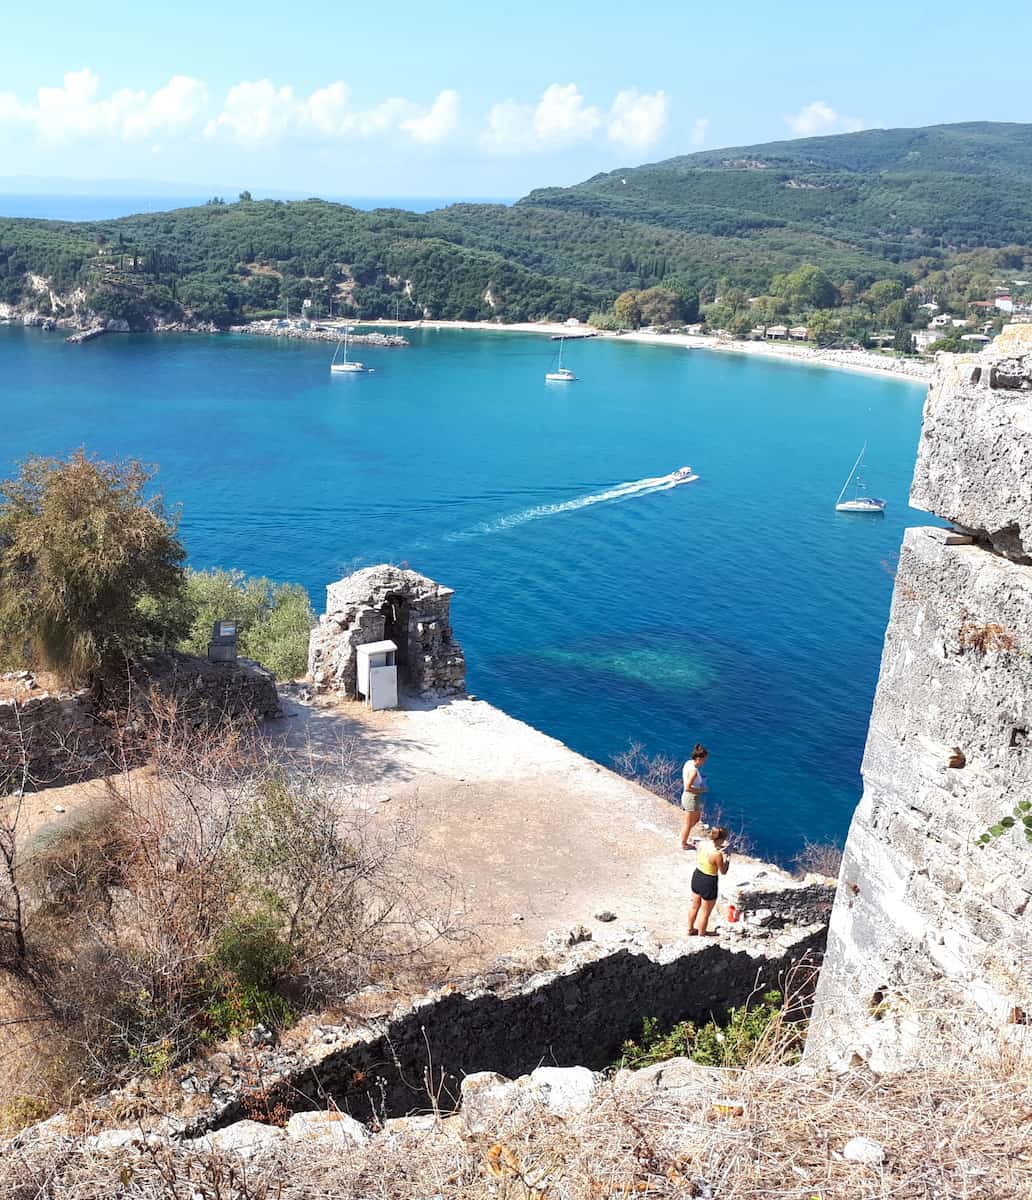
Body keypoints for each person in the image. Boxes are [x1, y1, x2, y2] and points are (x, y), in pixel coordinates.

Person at [688, 827, 730, 936]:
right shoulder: (717, 854)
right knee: (705, 912)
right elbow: (723, 871)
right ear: (720, 839)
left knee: (694, 906)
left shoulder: (703, 844)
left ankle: (690, 929)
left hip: (697, 875)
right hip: (709, 881)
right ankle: (702, 934)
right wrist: (727, 858)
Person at [679, 743, 709, 850]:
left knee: (696, 819)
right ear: (698, 758)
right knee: (688, 823)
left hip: (692, 797)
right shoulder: (694, 771)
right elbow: (687, 787)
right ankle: (683, 843)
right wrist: (702, 789)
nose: (705, 761)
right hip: (690, 797)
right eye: (704, 759)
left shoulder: (689, 763)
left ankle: (684, 835)